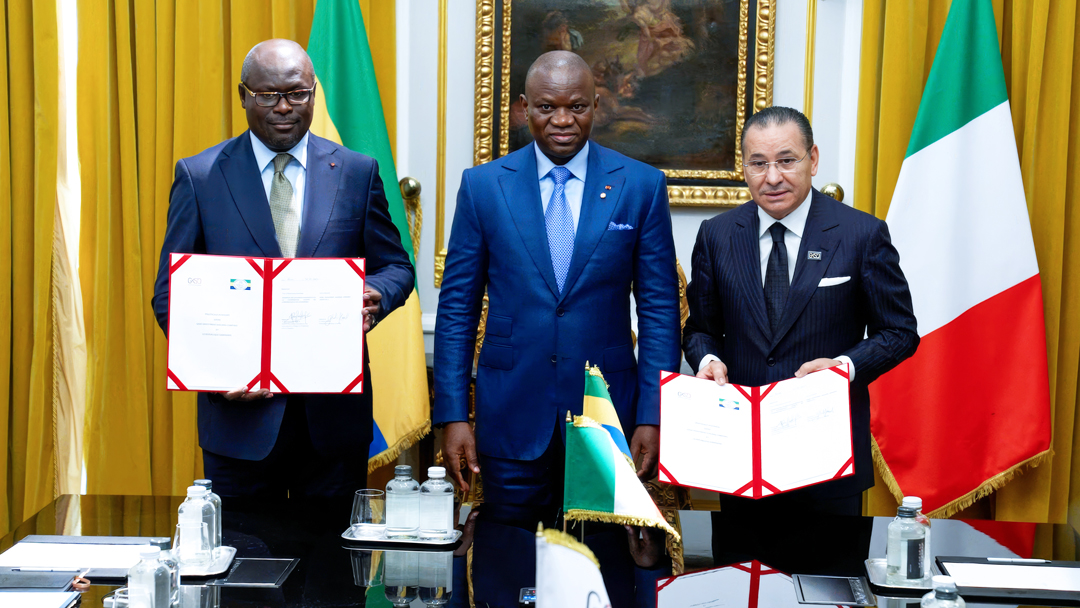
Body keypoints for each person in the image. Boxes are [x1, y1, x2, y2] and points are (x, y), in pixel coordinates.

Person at [151, 39, 414, 498]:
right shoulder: (201, 175)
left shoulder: (356, 172)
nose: (283, 107)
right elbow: (170, 296)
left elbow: (396, 266)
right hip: (239, 427)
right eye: (268, 94)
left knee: (334, 568)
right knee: (242, 564)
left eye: (297, 94)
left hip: (333, 427)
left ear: (314, 93)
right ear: (243, 95)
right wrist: (218, 368)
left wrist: (375, 293)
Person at [434, 50, 680, 510]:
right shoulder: (483, 186)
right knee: (508, 562)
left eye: (577, 106)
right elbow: (456, 310)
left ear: (596, 105)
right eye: (547, 107)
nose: (562, 120)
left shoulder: (640, 186)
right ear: (525, 108)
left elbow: (659, 309)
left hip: (607, 415)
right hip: (510, 412)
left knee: (602, 566)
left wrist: (653, 413)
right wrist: (453, 414)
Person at [683, 106, 919, 516]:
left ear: (812, 159)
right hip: (739, 462)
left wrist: (845, 366)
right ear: (744, 168)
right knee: (740, 579)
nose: (772, 177)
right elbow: (699, 329)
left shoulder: (861, 234)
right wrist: (706, 359)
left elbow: (899, 332)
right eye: (758, 163)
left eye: (786, 160)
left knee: (830, 581)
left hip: (828, 461)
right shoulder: (717, 235)